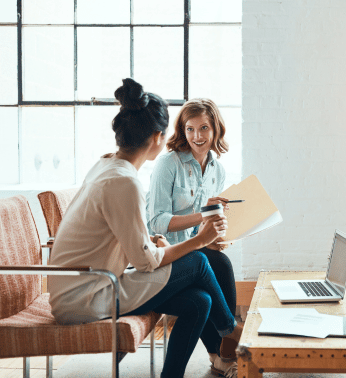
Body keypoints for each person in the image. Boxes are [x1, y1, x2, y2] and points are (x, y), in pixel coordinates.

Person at [47, 78, 241, 378]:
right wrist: (200, 239)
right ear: (158, 137)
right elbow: (144, 262)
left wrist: (150, 239)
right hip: (90, 294)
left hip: (86, 286)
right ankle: (231, 330)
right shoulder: (125, 181)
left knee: (199, 302)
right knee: (200, 260)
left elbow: (117, 233)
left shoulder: (107, 165)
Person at [146, 98, 238, 377]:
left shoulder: (217, 170)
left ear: (216, 130)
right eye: (190, 129)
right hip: (167, 251)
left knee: (217, 259)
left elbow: (203, 233)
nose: (197, 136)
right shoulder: (168, 164)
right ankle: (228, 343)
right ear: (182, 131)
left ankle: (222, 353)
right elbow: (156, 222)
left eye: (204, 128)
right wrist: (203, 215)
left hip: (195, 250)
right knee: (218, 266)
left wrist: (216, 236)